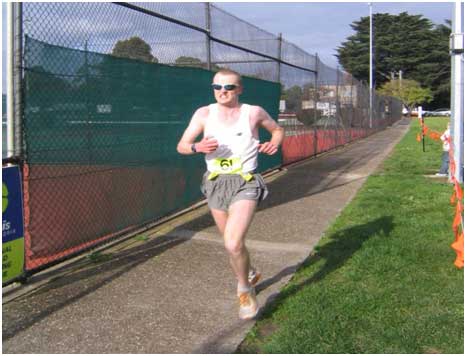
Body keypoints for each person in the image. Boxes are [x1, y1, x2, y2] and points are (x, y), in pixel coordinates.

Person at [176, 68, 284, 320]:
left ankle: (244, 289)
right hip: (215, 183)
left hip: (245, 181)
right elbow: (181, 146)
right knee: (232, 245)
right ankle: (249, 272)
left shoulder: (253, 112)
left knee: (233, 242)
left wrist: (274, 143)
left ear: (239, 89)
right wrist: (196, 146)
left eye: (229, 87)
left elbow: (277, 131)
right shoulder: (203, 114)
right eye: (217, 87)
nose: (222, 92)